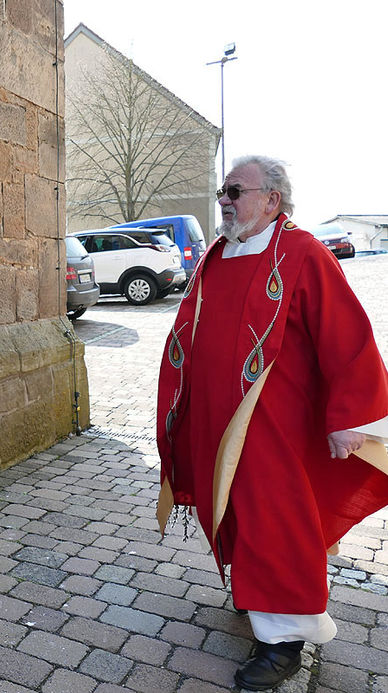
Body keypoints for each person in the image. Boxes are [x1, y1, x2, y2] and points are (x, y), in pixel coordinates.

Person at [156, 155, 388, 691]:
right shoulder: (219, 253)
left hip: (275, 427)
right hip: (219, 422)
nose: (224, 199)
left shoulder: (302, 253)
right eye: (223, 189)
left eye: (236, 190)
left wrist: (348, 417)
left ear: (272, 199)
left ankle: (284, 639)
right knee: (234, 510)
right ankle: (256, 598)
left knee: (276, 521)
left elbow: (348, 336)